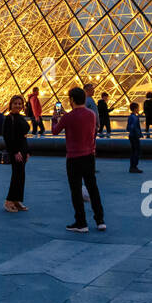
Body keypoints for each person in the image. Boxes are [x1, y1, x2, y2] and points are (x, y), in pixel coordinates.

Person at [52, 86, 105, 233]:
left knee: (76, 191)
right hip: (89, 157)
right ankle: (100, 220)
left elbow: (55, 131)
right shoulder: (91, 115)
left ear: (71, 100)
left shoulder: (68, 117)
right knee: (93, 188)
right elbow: (80, 118)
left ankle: (81, 223)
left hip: (74, 158)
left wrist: (55, 118)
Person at [2, 94, 31, 212]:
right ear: (11, 105)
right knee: (16, 176)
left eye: (20, 104)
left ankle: (17, 200)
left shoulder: (21, 117)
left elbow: (24, 137)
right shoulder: (9, 118)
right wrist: (15, 152)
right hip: (16, 151)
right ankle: (9, 201)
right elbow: (7, 138)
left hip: (23, 150)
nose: (18, 106)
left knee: (21, 176)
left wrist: (27, 151)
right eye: (15, 103)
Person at [126, 101, 144, 174]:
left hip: (131, 135)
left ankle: (132, 167)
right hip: (135, 136)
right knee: (136, 151)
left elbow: (128, 128)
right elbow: (134, 127)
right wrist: (138, 134)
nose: (139, 109)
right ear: (135, 109)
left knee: (133, 151)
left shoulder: (130, 116)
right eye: (138, 108)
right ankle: (134, 167)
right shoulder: (135, 117)